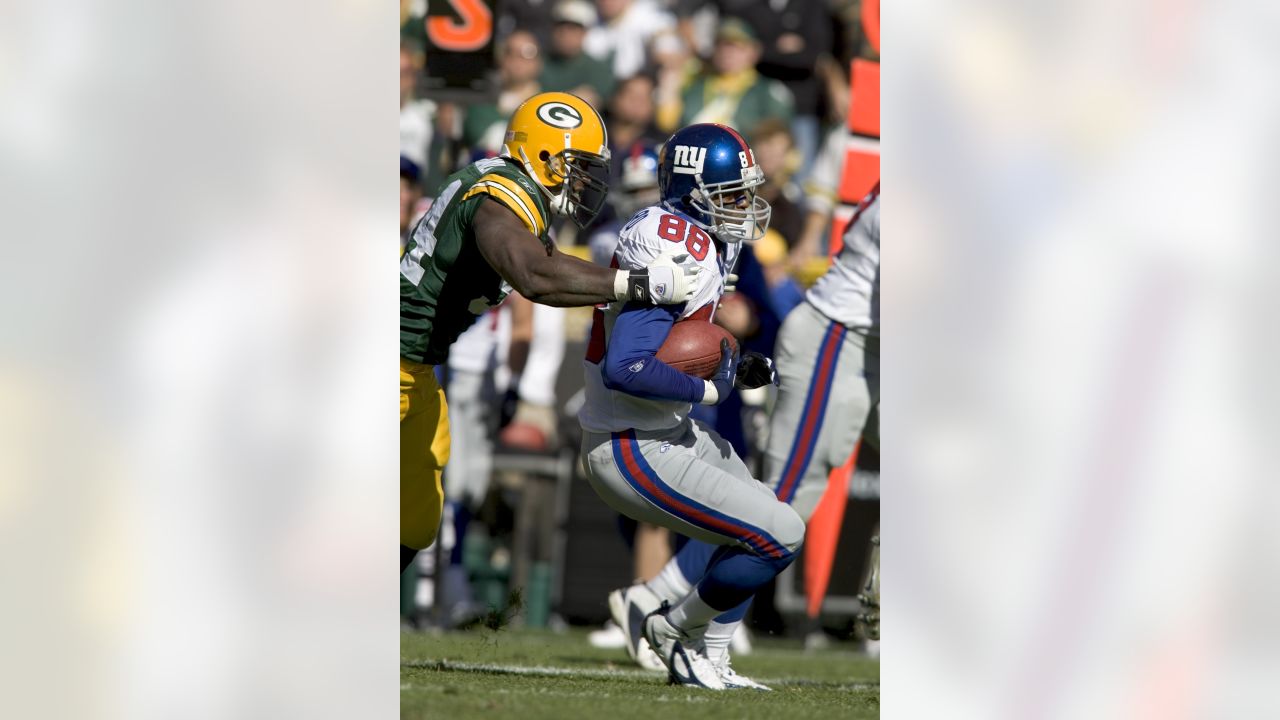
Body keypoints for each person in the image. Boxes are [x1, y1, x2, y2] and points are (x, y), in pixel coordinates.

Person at [400, 91, 705, 574]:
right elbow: (533, 275)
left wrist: (630, 289)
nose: (585, 179)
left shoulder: (515, 195)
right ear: (543, 155)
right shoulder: (498, 197)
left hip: (416, 368)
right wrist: (634, 284)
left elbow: (550, 267)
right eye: (576, 164)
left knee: (414, 520)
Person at [610, 184, 881, 680]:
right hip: (843, 338)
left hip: (882, 344)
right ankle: (680, 620)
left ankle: (665, 603)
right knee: (777, 508)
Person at [578, 122, 794, 690]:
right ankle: (674, 629)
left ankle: (710, 656)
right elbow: (626, 366)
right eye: (731, 194)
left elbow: (682, 340)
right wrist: (709, 388)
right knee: (777, 533)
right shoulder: (673, 245)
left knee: (762, 513)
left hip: (663, 433)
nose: (744, 206)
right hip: (629, 443)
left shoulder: (699, 237)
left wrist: (734, 361)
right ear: (692, 190)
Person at [674, 19, 793, 135]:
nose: (728, 53)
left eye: (737, 48)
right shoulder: (695, 85)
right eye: (722, 46)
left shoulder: (766, 92)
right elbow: (671, 126)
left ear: (754, 52)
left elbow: (779, 137)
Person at [539, 1, 615, 108]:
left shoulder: (598, 70)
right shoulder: (538, 62)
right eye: (560, 27)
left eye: (573, 29)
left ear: (585, 33)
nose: (565, 33)